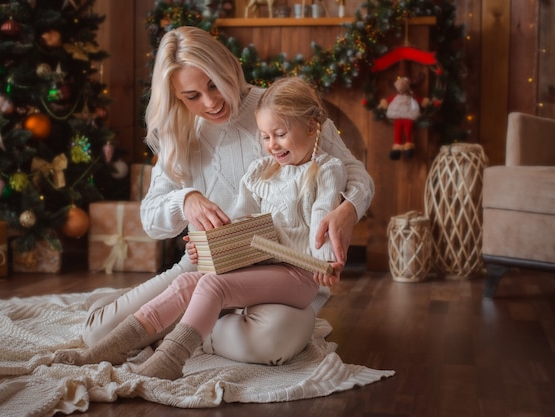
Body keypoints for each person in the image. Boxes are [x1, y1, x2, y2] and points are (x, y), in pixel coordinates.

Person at [79, 26, 374, 365]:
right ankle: (192, 321)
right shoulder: (178, 131)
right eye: (192, 96)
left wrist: (347, 210)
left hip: (278, 271)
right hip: (206, 268)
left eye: (214, 84)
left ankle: (185, 328)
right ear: (176, 96)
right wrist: (185, 200)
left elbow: (355, 174)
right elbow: (151, 221)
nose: (211, 101)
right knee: (99, 336)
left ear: (229, 67)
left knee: (267, 341)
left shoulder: (281, 110)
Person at [54, 76, 347, 380]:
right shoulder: (261, 171)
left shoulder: (326, 170)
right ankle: (111, 348)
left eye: (280, 134)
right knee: (187, 282)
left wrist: (326, 261)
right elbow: (241, 219)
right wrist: (209, 243)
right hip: (261, 262)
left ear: (312, 127)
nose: (272, 145)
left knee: (212, 285)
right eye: (265, 137)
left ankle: (171, 358)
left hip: (299, 273)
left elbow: (323, 218)